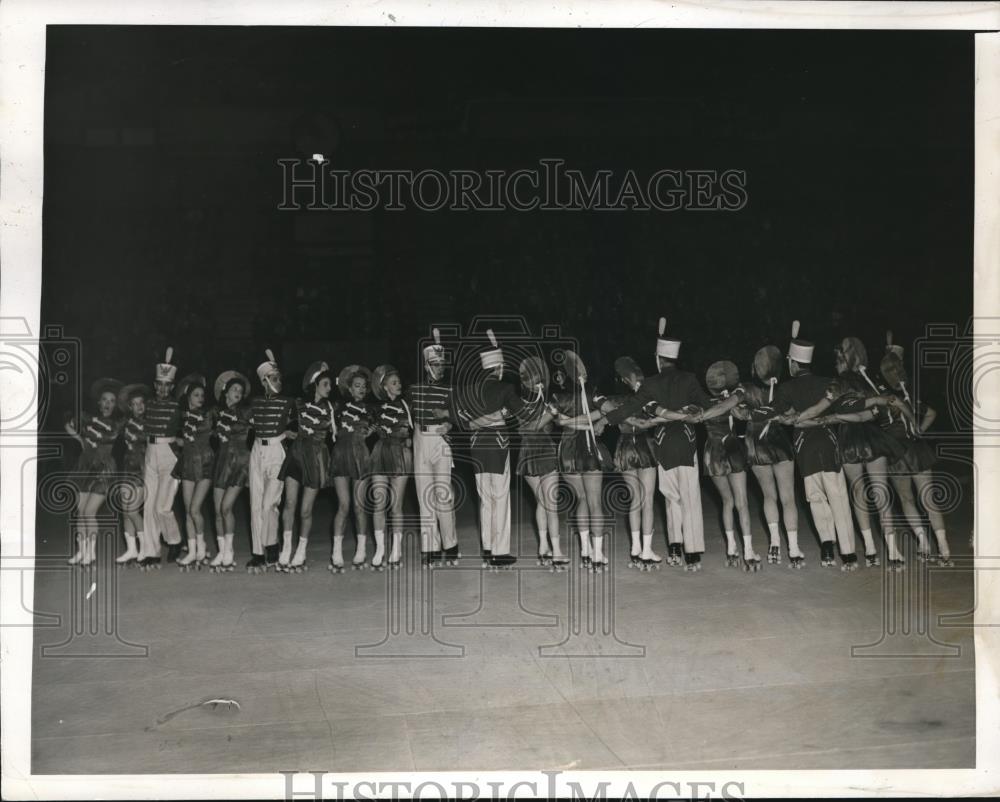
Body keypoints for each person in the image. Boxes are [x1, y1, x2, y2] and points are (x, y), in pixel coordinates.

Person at [600, 319, 712, 572]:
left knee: (671, 498)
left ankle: (674, 547)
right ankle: (692, 553)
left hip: (663, 445)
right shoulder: (689, 379)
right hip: (686, 442)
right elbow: (705, 405)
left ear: (659, 359)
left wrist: (607, 420)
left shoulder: (651, 383)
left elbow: (629, 407)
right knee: (690, 497)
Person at [770, 321, 859, 571]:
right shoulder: (827, 382)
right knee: (838, 498)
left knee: (816, 499)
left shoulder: (786, 388)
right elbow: (840, 411)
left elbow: (779, 415)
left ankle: (827, 550)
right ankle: (849, 555)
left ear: (793, 363)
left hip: (805, 448)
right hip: (828, 445)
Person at [817, 336, 909, 568]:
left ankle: (871, 550)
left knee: (859, 494)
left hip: (850, 437)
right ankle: (892, 552)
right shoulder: (865, 379)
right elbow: (881, 405)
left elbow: (833, 406)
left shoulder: (842, 381)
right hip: (868, 436)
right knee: (879, 494)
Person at [878, 339, 954, 566]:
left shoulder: (883, 393)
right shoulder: (909, 391)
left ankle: (924, 544)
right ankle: (944, 549)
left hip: (898, 451)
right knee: (928, 500)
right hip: (918, 449)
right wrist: (918, 430)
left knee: (906, 498)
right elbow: (932, 413)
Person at [456, 330, 526, 569]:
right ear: (498, 367)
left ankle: (487, 548)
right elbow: (521, 413)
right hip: (497, 445)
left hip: (476, 447)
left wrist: (479, 421)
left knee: (484, 498)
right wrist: (500, 415)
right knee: (500, 497)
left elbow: (462, 421)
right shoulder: (505, 388)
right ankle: (500, 551)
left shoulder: (468, 391)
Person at [551, 350, 613, 572]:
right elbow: (613, 410)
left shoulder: (557, 397)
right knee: (594, 501)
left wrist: (573, 421)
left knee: (581, 499)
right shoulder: (592, 393)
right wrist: (597, 421)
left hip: (567, 450)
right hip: (587, 448)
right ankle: (597, 554)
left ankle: (585, 552)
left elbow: (559, 422)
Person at [743, 346, 802, 567]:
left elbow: (738, 412)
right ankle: (794, 549)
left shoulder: (746, 389)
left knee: (769, 496)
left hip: (756, 445)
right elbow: (793, 414)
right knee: (788, 497)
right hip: (780, 445)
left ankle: (775, 545)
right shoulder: (784, 390)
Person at [407, 329, 461, 568]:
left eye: (442, 364)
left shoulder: (450, 390)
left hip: (441, 442)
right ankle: (430, 548)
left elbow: (458, 417)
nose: (440, 368)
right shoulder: (413, 389)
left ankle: (450, 545)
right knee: (424, 495)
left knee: (443, 495)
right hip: (421, 439)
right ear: (426, 365)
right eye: (435, 364)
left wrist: (450, 423)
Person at [702, 361, 761, 572]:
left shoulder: (705, 401)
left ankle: (732, 550)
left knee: (727, 501)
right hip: (733, 449)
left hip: (713, 452)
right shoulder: (735, 399)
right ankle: (749, 551)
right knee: (741, 502)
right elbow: (745, 415)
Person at [279, 360, 335, 572]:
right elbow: (281, 423)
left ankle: (301, 550)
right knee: (290, 503)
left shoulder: (331, 409)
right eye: (326, 384)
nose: (330, 388)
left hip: (316, 458)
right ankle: (286, 548)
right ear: (315, 384)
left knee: (305, 510)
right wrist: (286, 433)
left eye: (330, 385)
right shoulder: (298, 404)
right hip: (296, 455)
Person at [608, 356, 662, 570]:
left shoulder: (614, 399)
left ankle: (636, 548)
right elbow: (654, 416)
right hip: (644, 446)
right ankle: (646, 550)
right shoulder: (645, 396)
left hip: (625, 448)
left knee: (635, 500)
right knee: (647, 499)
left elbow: (609, 413)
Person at [64, 378, 124, 568]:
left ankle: (91, 553)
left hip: (104, 470)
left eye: (112, 401)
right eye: (105, 400)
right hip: (84, 467)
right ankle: (81, 551)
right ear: (99, 402)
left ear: (116, 405)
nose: (107, 404)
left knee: (90, 511)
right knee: (80, 512)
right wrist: (80, 440)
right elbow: (68, 425)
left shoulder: (118, 424)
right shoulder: (87, 418)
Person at [247, 349, 297, 574]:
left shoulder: (288, 402)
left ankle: (272, 546)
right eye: (274, 379)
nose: (279, 382)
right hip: (257, 451)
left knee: (269, 504)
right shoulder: (255, 403)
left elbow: (298, 426)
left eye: (279, 378)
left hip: (277, 451)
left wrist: (289, 433)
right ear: (264, 382)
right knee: (255, 503)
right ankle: (258, 553)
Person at [515, 355, 565, 569]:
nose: (539, 384)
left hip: (548, 451)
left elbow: (560, 420)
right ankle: (544, 545)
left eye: (541, 380)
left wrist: (556, 413)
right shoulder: (518, 403)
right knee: (542, 502)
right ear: (527, 382)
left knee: (550, 503)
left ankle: (555, 550)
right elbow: (524, 428)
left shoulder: (550, 401)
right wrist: (548, 415)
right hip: (529, 454)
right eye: (535, 381)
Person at [330, 364, 375, 571]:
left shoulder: (371, 408)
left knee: (358, 506)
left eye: (364, 386)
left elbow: (382, 424)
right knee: (343, 505)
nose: (361, 389)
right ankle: (336, 551)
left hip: (360, 456)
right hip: (340, 455)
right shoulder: (338, 407)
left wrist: (371, 432)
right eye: (357, 386)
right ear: (349, 388)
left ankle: (361, 549)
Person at [369, 364, 414, 569]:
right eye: (394, 383)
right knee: (378, 503)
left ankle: (396, 549)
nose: (398, 385)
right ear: (384, 387)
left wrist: (410, 440)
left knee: (396, 505)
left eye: (399, 382)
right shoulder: (376, 408)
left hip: (400, 453)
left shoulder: (407, 404)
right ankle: (380, 549)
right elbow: (366, 430)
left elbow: (416, 428)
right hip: (380, 453)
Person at [142, 347, 184, 567]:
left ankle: (175, 540)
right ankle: (151, 551)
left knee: (162, 507)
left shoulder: (178, 406)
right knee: (148, 505)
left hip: (169, 455)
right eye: (160, 384)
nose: (163, 388)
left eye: (168, 385)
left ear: (173, 386)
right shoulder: (147, 405)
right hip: (150, 453)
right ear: (155, 385)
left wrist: (184, 440)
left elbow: (191, 426)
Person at [210, 370, 252, 573]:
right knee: (217, 511)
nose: (238, 393)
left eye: (241, 391)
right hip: (221, 462)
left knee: (226, 508)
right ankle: (222, 551)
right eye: (234, 389)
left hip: (240, 461)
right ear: (225, 392)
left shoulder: (245, 411)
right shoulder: (215, 413)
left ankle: (230, 551)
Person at [175, 373, 217, 571]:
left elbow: (204, 430)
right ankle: (192, 551)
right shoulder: (181, 417)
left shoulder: (207, 415)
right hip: (188, 465)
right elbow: (180, 439)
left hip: (206, 464)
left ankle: (201, 547)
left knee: (194, 509)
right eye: (196, 395)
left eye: (202, 395)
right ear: (188, 397)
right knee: (187, 510)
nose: (200, 398)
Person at [114, 383, 151, 567]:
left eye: (141, 403)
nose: (139, 406)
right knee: (125, 511)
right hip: (127, 468)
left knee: (132, 510)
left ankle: (145, 548)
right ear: (129, 406)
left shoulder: (149, 423)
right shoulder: (125, 423)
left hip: (142, 468)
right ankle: (131, 549)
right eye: (135, 404)